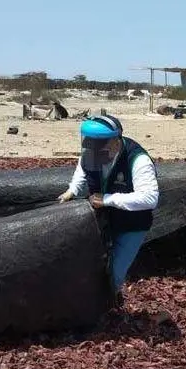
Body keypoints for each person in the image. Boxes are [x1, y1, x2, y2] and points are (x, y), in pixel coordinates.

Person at [58, 115, 160, 304]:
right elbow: (83, 171)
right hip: (104, 219)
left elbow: (150, 198)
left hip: (132, 225)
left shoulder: (138, 160)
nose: (93, 152)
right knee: (94, 265)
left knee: (114, 272)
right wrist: (72, 191)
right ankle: (97, 300)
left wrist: (107, 199)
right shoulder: (93, 152)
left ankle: (105, 310)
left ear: (115, 142)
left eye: (99, 146)